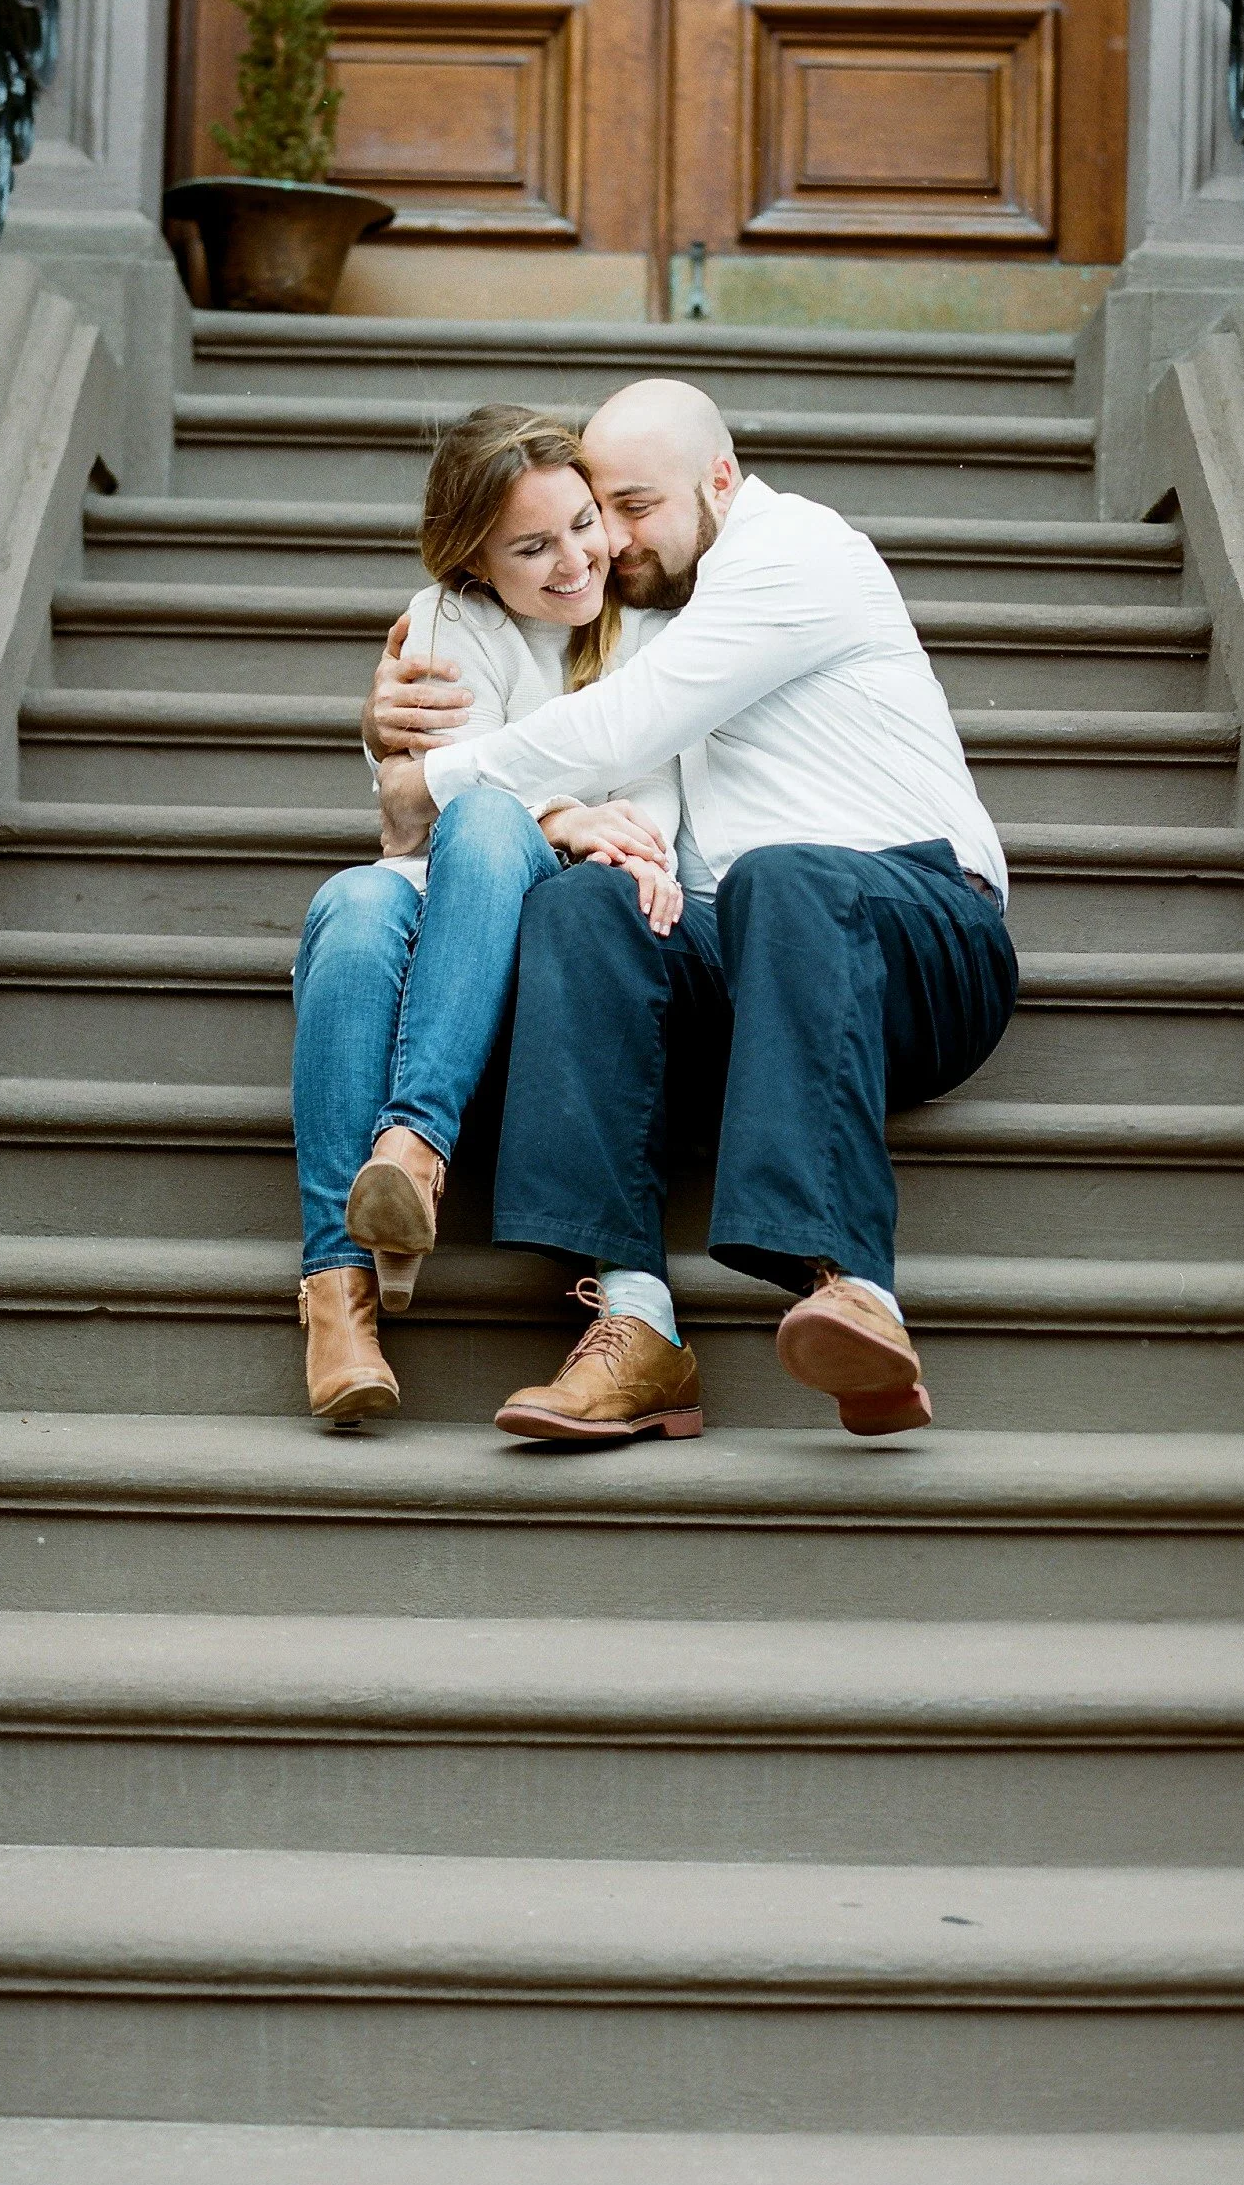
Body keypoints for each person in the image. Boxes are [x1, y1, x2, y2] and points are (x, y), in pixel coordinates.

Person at [369, 377, 1017, 1442]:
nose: (608, 544)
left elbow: (623, 725)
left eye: (632, 508)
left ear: (719, 480)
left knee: (782, 874)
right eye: (596, 512)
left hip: (922, 940)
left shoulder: (794, 555)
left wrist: (427, 782)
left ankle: (853, 1287)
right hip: (756, 971)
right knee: (584, 907)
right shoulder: (646, 605)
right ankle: (633, 1325)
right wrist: (389, 719)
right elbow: (501, 632)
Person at [294, 404, 682, 1427]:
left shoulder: (652, 632)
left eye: (583, 523)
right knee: (356, 897)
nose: (574, 560)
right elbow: (417, 794)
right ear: (472, 557)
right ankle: (339, 1299)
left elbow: (634, 821)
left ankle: (415, 1146)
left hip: (560, 947)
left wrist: (533, 812)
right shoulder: (440, 623)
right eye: (530, 545)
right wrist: (559, 809)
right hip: (436, 924)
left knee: (483, 822)